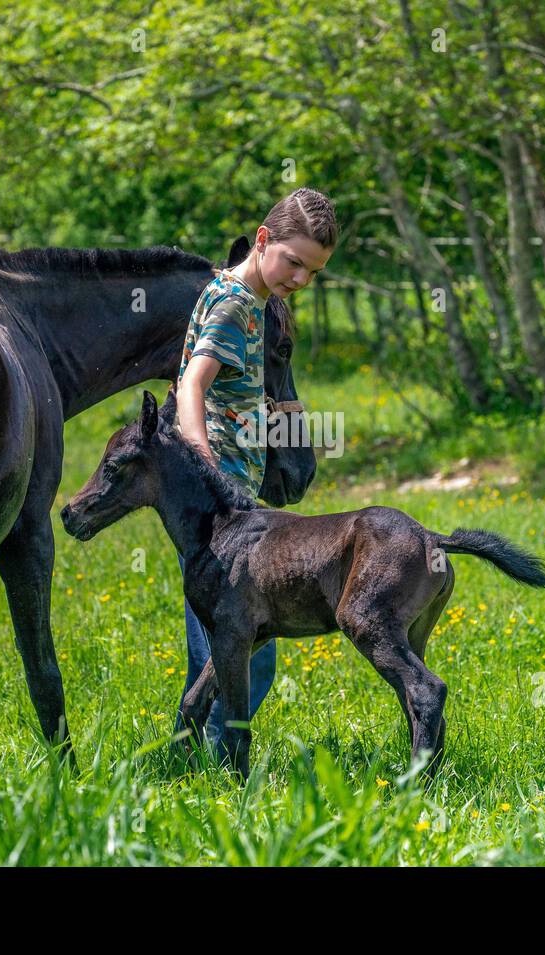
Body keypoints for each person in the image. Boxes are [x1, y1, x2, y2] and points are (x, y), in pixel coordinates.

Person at [173, 186, 337, 748]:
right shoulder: (238, 303)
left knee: (224, 643)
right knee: (241, 650)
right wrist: (203, 463)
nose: (299, 279)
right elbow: (191, 384)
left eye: (312, 272)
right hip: (220, 506)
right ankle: (214, 764)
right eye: (293, 262)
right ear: (263, 240)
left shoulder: (236, 292)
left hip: (230, 501)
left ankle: (190, 754)